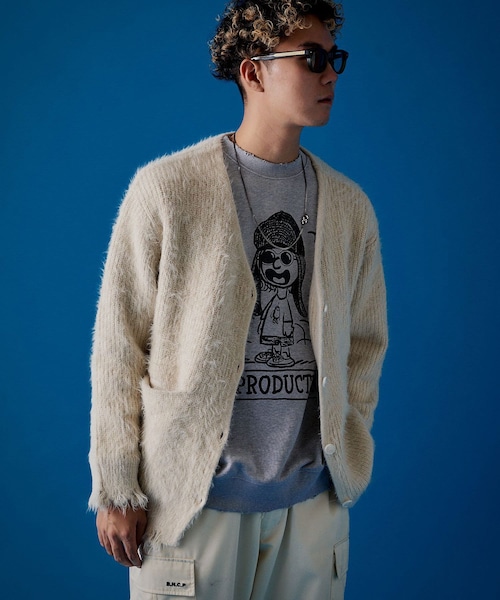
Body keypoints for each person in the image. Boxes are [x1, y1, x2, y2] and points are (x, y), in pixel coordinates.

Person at [89, 1, 388, 598]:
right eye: (312, 59)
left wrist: (346, 446)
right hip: (192, 504)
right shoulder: (168, 189)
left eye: (335, 59)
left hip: (311, 505)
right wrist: (117, 486)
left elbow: (365, 342)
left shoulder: (349, 206)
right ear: (253, 72)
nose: (331, 74)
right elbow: (120, 344)